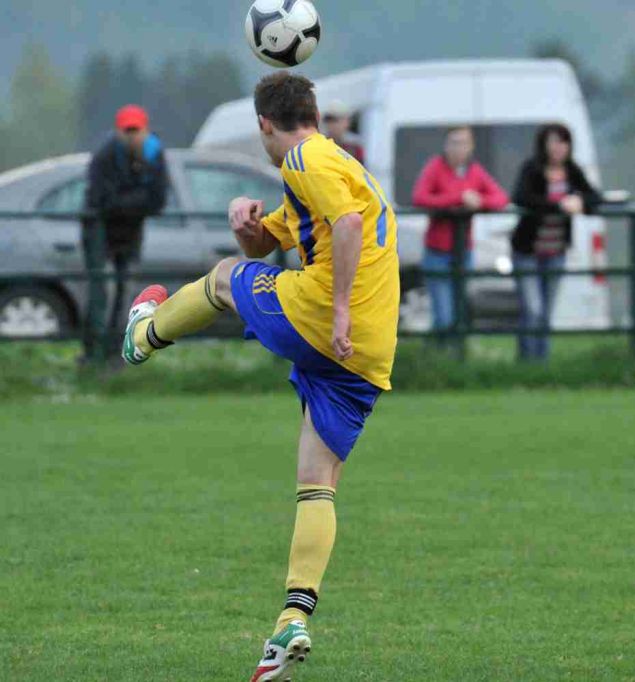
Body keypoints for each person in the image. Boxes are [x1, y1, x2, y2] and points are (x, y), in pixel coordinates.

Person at [119, 72, 399, 682]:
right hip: (370, 350)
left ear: (264, 126)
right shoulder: (335, 162)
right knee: (318, 479)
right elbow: (276, 240)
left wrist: (339, 310)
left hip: (329, 318)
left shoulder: (301, 158)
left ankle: (142, 336)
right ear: (315, 115)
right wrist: (250, 225)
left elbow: (348, 227)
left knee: (223, 279)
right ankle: (292, 621)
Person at [81, 104, 168, 363]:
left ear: (145, 130)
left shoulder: (154, 154)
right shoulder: (104, 155)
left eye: (136, 130)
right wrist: (138, 200)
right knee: (102, 292)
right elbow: (102, 200)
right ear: (118, 132)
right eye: (127, 131)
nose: (132, 136)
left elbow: (158, 201)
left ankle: (116, 353)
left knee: (125, 292)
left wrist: (125, 201)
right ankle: (93, 353)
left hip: (129, 231)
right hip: (99, 230)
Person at [510, 123, 599, 361]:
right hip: (528, 250)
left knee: (546, 311)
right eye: (554, 142)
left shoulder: (571, 170)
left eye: (563, 142)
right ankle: (527, 361)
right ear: (544, 145)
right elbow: (521, 197)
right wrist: (558, 205)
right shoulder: (532, 169)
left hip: (556, 250)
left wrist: (580, 201)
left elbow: (594, 196)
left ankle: (541, 361)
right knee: (533, 308)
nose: (559, 147)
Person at [412, 126, 508, 339]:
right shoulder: (435, 167)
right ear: (446, 145)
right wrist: (459, 197)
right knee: (443, 316)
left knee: (459, 312)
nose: (459, 148)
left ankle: (453, 354)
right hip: (437, 251)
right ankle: (440, 352)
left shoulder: (474, 170)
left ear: (471, 146)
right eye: (454, 142)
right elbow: (420, 197)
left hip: (464, 250)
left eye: (464, 143)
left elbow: (500, 198)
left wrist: (480, 201)